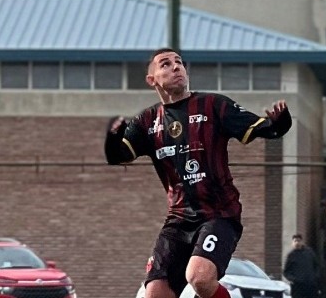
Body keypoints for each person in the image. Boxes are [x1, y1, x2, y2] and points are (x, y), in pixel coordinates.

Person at [104, 48, 292, 298]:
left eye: (179, 62)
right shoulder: (147, 121)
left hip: (219, 213)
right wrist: (113, 135)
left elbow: (265, 129)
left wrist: (280, 123)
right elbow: (117, 155)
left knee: (199, 277)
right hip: (178, 219)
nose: (176, 67)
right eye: (165, 64)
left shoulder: (213, 105)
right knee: (154, 293)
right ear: (152, 80)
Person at [283, 233, 320, 298]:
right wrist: (294, 279)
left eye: (299, 241)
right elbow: (286, 272)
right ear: (293, 242)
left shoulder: (309, 252)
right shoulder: (291, 255)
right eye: (295, 241)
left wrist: (315, 277)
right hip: (297, 287)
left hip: (310, 285)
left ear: (302, 242)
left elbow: (316, 265)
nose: (297, 243)